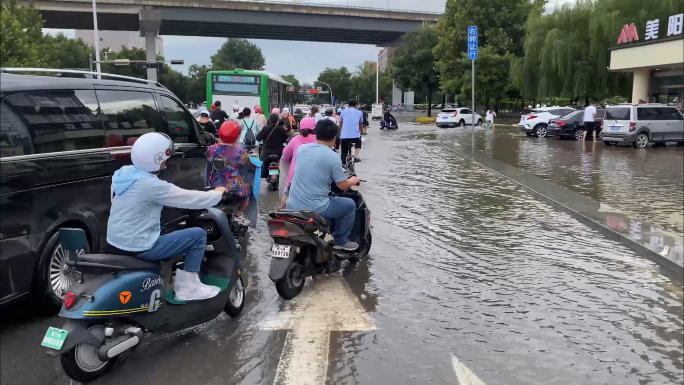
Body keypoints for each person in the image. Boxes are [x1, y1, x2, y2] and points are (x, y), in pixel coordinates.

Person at [106, 133, 224, 301]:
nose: (167, 162)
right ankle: (187, 289)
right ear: (158, 159)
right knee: (198, 236)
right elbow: (189, 199)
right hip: (140, 245)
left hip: (116, 242)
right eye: (165, 158)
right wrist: (217, 194)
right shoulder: (151, 185)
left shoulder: (123, 175)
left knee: (167, 230)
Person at [286, 119, 361, 251]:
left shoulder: (301, 150)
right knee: (349, 205)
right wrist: (354, 180)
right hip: (316, 207)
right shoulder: (333, 157)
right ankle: (340, 240)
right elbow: (342, 185)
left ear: (316, 133)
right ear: (334, 138)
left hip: (291, 204)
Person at [207, 122, 257, 226]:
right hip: (234, 186)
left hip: (215, 184)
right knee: (248, 189)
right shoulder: (240, 152)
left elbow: (208, 159)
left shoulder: (211, 149)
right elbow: (251, 165)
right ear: (237, 136)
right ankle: (239, 215)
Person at [280, 117, 318, 208]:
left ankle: (281, 213)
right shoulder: (318, 140)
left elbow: (285, 156)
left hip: (295, 177)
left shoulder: (295, 139)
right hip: (315, 178)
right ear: (314, 128)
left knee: (287, 192)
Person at [256, 113, 290, 178]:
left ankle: (265, 175)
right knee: (278, 161)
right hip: (278, 152)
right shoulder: (281, 129)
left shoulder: (265, 128)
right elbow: (285, 139)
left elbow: (258, 138)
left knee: (263, 164)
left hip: (266, 152)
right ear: (278, 121)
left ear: (270, 120)